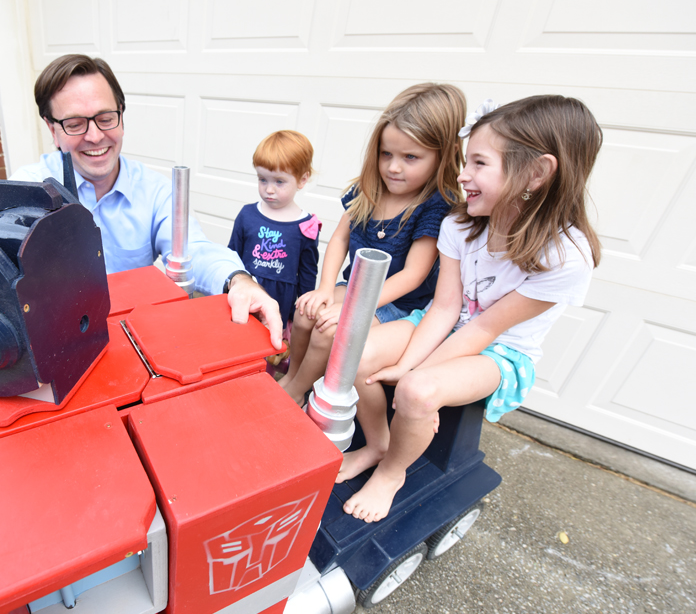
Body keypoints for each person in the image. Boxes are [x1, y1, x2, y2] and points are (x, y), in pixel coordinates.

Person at [0, 54, 282, 401]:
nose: (95, 136)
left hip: (136, 359)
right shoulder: (23, 190)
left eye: (105, 118)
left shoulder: (156, 191)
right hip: (53, 366)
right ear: (52, 127)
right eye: (75, 123)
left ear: (122, 117)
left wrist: (240, 280)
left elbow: (193, 247)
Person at [339, 95, 602, 523]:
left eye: (479, 164)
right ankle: (378, 443)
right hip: (445, 326)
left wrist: (411, 374)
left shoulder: (566, 258)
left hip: (499, 350)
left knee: (417, 392)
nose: (462, 176)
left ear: (536, 173)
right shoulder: (459, 225)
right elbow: (444, 309)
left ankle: (392, 473)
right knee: (356, 351)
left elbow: (484, 330)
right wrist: (404, 360)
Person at [278, 84, 466, 405]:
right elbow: (339, 238)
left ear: (442, 156)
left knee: (328, 330)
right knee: (307, 311)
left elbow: (413, 276)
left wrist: (351, 308)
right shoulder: (370, 190)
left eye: (410, 157)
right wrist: (325, 288)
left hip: (397, 303)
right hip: (354, 288)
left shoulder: (434, 207)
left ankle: (296, 392)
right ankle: (293, 377)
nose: (393, 167)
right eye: (386, 154)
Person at [228, 130, 320, 331]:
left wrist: (301, 314)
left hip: (282, 300)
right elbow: (231, 255)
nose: (269, 189)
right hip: (247, 293)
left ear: (302, 180)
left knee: (272, 345)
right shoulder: (247, 215)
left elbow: (307, 272)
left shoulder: (305, 226)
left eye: (279, 181)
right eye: (263, 179)